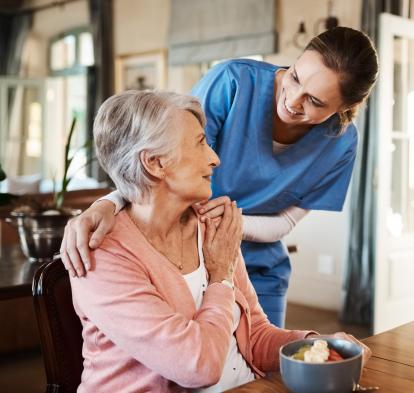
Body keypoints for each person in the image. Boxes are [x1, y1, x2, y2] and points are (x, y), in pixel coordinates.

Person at [61, 27, 379, 327]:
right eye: (295, 77)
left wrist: (229, 228)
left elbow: (285, 223)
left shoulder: (341, 144)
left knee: (263, 374)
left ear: (346, 106)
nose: (292, 100)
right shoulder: (233, 82)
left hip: (259, 267)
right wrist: (109, 203)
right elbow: (161, 159)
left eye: (315, 101)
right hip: (184, 256)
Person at [70, 89, 370, 392]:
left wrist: (315, 345)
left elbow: (255, 337)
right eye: (200, 143)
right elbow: (199, 367)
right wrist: (221, 276)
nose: (214, 159)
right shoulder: (101, 256)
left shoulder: (212, 227)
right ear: (155, 163)